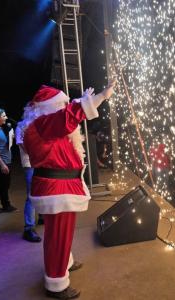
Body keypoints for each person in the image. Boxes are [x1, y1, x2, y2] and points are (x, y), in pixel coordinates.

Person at [22, 81, 115, 299]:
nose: (64, 108)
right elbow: (66, 117)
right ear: (48, 107)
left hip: (59, 188)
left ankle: (65, 262)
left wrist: (79, 102)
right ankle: (56, 283)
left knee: (61, 233)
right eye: (60, 104)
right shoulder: (43, 124)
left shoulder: (42, 124)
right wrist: (100, 97)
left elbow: (64, 117)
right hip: (57, 189)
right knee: (57, 235)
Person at [16, 115, 42, 243]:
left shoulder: (39, 123)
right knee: (31, 195)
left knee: (43, 191)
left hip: (42, 162)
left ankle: (42, 216)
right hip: (30, 163)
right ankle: (29, 228)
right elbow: (22, 144)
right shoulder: (21, 126)